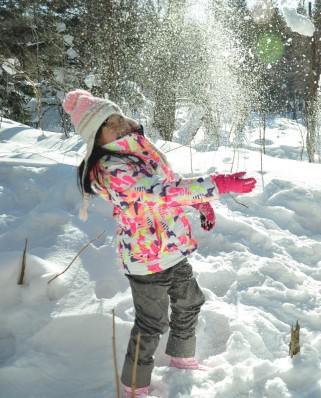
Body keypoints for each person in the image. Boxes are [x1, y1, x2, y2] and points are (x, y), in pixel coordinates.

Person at [63, 89, 257, 397]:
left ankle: (182, 355)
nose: (120, 126)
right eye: (109, 125)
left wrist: (198, 203)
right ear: (95, 139)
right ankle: (134, 386)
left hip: (171, 248)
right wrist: (214, 186)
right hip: (145, 260)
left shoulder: (138, 151)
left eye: (118, 118)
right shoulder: (112, 169)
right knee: (151, 324)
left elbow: (167, 185)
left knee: (190, 301)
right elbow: (158, 192)